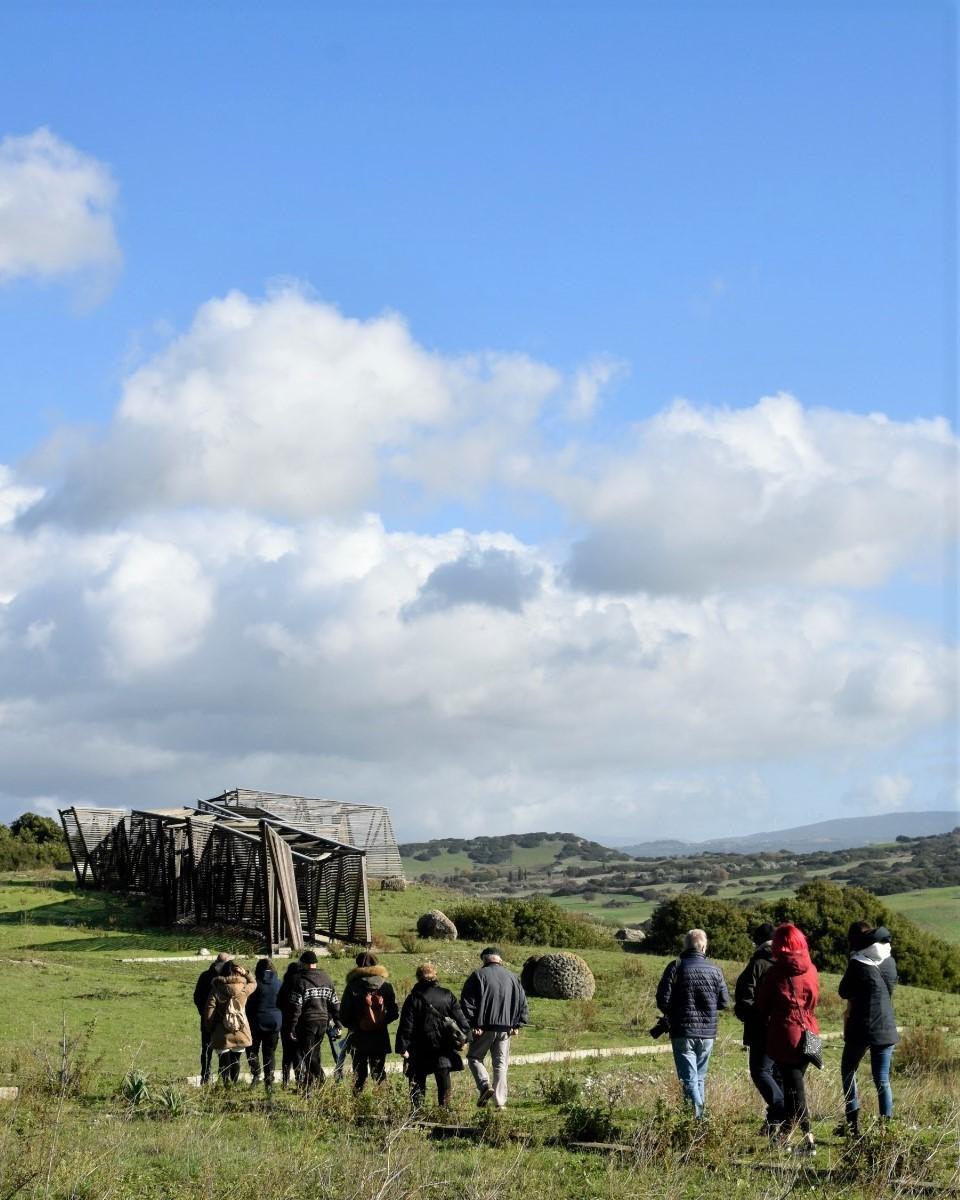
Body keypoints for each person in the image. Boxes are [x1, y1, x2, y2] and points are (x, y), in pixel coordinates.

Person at [755, 923, 820, 1155]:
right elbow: (815, 998)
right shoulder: (811, 968)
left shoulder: (776, 973)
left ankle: (808, 1140)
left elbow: (763, 1005)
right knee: (795, 1087)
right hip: (809, 1032)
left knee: (795, 1092)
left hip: (786, 1035)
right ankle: (786, 1138)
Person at [655, 928, 730, 1120]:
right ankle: (696, 1120)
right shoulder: (715, 970)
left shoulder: (676, 966)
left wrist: (672, 1013)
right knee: (699, 1078)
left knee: (688, 1079)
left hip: (682, 1030)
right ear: (703, 946)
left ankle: (698, 1120)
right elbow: (724, 1002)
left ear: (685, 946)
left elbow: (662, 1000)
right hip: (707, 1032)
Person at [838, 922, 899, 1135]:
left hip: (861, 1027)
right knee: (882, 1079)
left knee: (848, 1070)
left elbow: (843, 991)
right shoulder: (889, 961)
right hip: (887, 1026)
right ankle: (887, 1129)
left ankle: (852, 1123)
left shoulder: (857, 963)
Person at [460, 946, 528, 1111]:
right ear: (500, 960)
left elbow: (467, 1003)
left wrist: (472, 1025)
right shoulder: (513, 977)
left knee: (475, 1058)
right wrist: (517, 1024)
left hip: (484, 1028)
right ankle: (500, 1102)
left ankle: (484, 1086)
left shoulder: (478, 976)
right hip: (506, 1029)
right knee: (500, 1064)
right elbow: (522, 1003)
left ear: (484, 959)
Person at [395, 962, 471, 1108]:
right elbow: (461, 1020)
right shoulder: (447, 995)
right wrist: (465, 1038)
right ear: (435, 976)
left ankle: (417, 1113)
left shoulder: (413, 998)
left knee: (417, 1080)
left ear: (418, 978)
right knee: (443, 1080)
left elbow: (406, 1025)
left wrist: (402, 1047)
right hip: (442, 1046)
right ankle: (445, 1110)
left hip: (418, 1047)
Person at [734, 922, 784, 1133]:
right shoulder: (787, 962)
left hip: (762, 1028)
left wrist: (746, 1015)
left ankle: (781, 1109)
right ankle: (775, 1122)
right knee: (778, 1074)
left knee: (760, 1071)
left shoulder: (757, 964)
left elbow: (745, 998)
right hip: (785, 1027)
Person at [339, 951, 399, 1091]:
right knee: (379, 1073)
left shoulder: (352, 986)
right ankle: (383, 1104)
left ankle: (357, 1106)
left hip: (358, 1036)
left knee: (359, 1075)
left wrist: (355, 1025)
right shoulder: (386, 986)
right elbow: (394, 1013)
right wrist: (381, 1022)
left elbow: (344, 1015)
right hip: (380, 1036)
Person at [288, 949, 340, 1093]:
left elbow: (296, 1007)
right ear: (315, 964)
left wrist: (292, 1027)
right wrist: (338, 1023)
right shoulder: (327, 979)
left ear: (304, 964)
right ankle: (310, 1087)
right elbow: (335, 1003)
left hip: (307, 1022)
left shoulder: (300, 982)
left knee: (307, 1054)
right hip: (323, 1021)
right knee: (315, 1053)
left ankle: (321, 1078)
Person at [204, 958, 257, 1083]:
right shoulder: (243, 988)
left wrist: (210, 1027)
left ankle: (225, 1085)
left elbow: (209, 1011)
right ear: (238, 972)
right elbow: (254, 983)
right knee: (236, 1059)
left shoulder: (216, 989)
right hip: (240, 1029)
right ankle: (234, 1083)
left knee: (223, 1060)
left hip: (221, 1031)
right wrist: (246, 973)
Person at [192, 951, 233, 1084]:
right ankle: (207, 1075)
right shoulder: (208, 977)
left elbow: (197, 997)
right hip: (212, 1020)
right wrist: (203, 1014)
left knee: (219, 1049)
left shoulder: (208, 975)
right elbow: (197, 997)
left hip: (217, 1019)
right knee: (208, 1048)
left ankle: (219, 1076)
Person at [245, 957, 282, 1090]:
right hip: (274, 1022)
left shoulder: (255, 984)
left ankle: (256, 1075)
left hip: (256, 1021)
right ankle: (269, 1081)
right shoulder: (279, 983)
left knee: (251, 1049)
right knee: (269, 1052)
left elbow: (248, 1004)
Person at [277, 959, 303, 1088]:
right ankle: (299, 1079)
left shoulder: (286, 983)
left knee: (287, 1052)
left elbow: (279, 1003)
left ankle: (285, 1080)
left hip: (286, 1021)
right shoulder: (302, 982)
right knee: (298, 1052)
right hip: (300, 1021)